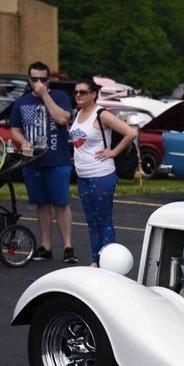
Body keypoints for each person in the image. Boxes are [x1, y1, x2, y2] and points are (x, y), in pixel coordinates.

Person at [8, 61, 77, 263]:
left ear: (49, 80)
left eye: (43, 79)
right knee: (42, 204)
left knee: (61, 203)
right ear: (29, 80)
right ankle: (45, 246)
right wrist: (23, 142)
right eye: (34, 79)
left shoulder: (60, 97)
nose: (39, 82)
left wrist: (45, 95)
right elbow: (15, 128)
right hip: (34, 162)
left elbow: (63, 118)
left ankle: (68, 247)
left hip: (57, 159)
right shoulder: (21, 102)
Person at [68, 80, 137, 267]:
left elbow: (130, 133)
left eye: (83, 92)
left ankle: (108, 262)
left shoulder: (102, 114)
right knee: (91, 220)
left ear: (93, 94)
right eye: (76, 92)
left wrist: (113, 152)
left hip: (101, 174)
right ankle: (95, 260)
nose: (78, 95)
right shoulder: (77, 113)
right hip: (83, 175)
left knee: (103, 219)